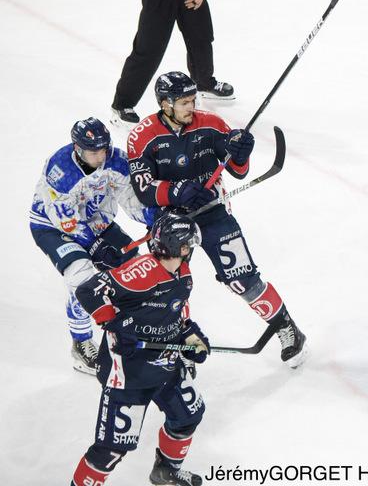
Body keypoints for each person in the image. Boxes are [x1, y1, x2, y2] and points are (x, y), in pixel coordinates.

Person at [126, 71, 306, 367]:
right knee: (168, 285)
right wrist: (178, 191)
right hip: (170, 222)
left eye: (192, 100)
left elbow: (237, 170)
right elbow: (144, 190)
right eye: (183, 102)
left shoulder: (210, 124)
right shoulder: (142, 136)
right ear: (165, 104)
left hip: (213, 212)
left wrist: (240, 153)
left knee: (243, 279)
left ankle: (287, 328)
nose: (191, 107)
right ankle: (176, 346)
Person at [70, 212, 208, 486]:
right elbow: (88, 291)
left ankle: (165, 470)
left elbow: (177, 312)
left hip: (166, 363)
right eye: (185, 245)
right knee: (111, 450)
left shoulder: (183, 272)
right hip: (128, 372)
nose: (189, 250)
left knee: (188, 415)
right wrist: (114, 323)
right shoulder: (141, 271)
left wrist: (191, 337)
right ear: (173, 246)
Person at [29, 117, 155, 374]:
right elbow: (66, 221)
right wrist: (96, 246)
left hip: (96, 222)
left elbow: (130, 198)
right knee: (84, 280)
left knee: (134, 268)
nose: (100, 156)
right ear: (78, 148)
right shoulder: (60, 169)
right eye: (93, 151)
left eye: (103, 149)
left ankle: (137, 330)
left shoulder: (117, 161)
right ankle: (82, 342)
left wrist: (156, 218)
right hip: (53, 227)